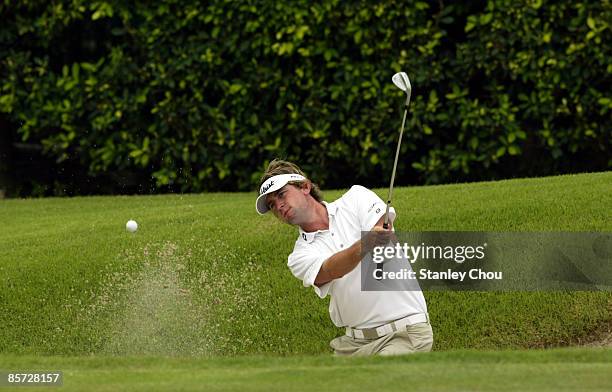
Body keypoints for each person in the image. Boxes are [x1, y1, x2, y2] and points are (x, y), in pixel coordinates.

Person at [255, 159, 433, 356]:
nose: (278, 206)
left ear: (305, 187)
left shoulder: (356, 198)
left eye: (281, 195)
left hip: (404, 332)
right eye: (272, 205)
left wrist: (376, 234)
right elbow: (331, 270)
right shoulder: (299, 255)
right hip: (353, 343)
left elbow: (382, 226)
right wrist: (365, 243)